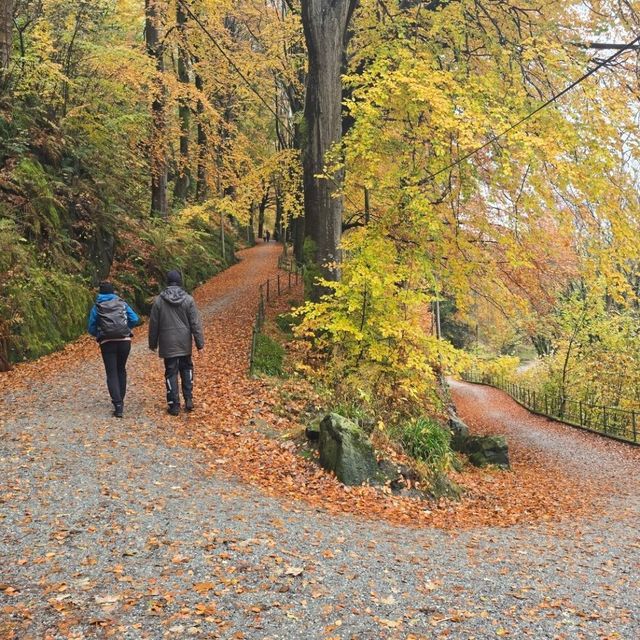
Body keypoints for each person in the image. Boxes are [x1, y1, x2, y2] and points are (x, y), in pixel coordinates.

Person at [148, 270, 205, 415]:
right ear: (180, 282)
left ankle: (174, 405)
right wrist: (200, 344)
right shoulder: (188, 300)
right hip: (184, 343)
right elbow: (195, 323)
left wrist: (153, 343)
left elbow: (154, 324)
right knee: (187, 369)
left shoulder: (159, 301)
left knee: (171, 372)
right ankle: (189, 399)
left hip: (168, 344)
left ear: (167, 282)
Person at [88, 281, 140, 418]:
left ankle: (118, 405)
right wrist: (125, 328)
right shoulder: (122, 303)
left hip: (107, 343)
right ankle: (121, 399)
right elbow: (135, 318)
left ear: (100, 293)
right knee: (121, 369)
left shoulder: (97, 306)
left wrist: (99, 333)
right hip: (124, 341)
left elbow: (91, 327)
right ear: (113, 292)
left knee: (111, 373)